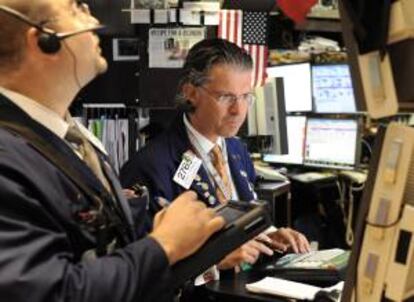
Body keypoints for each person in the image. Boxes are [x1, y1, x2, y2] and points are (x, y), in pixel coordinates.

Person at [0, 1, 225, 301]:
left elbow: (100, 253)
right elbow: (50, 292)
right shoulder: (7, 156)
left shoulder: (73, 139)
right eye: (75, 9)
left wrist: (183, 244)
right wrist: (163, 246)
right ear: (43, 39)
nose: (93, 18)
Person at [120, 38, 311, 272]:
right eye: (226, 97)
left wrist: (270, 236)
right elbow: (141, 269)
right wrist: (212, 262)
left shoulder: (236, 149)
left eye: (245, 97)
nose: (238, 110)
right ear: (190, 92)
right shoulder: (149, 166)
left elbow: (241, 221)